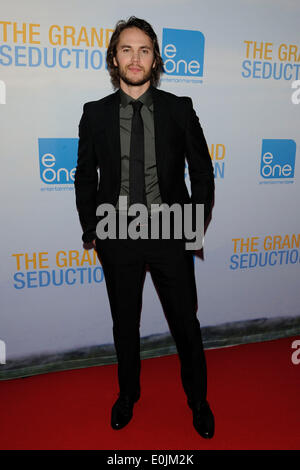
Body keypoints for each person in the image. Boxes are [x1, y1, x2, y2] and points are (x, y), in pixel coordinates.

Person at [74, 16, 215, 439]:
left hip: (171, 232)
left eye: (144, 50)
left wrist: (194, 226)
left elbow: (203, 172)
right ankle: (127, 395)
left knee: (185, 324)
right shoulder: (94, 114)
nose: (135, 58)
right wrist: (91, 229)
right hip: (117, 236)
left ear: (155, 60)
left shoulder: (179, 108)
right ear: (114, 59)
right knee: (125, 324)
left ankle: (198, 400)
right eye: (127, 49)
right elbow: (85, 176)